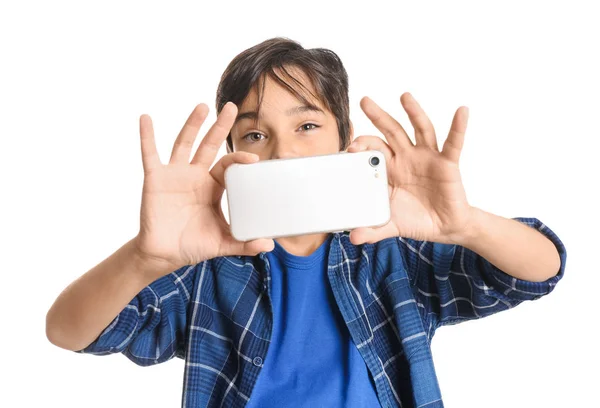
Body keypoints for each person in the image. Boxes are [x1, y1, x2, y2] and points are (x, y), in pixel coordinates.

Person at [45, 37, 567, 408]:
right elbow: (69, 331)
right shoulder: (207, 268)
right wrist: (145, 258)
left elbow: (539, 269)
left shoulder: (391, 254)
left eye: (307, 125)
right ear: (231, 155)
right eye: (254, 134)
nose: (284, 151)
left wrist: (464, 226)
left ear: (344, 138)